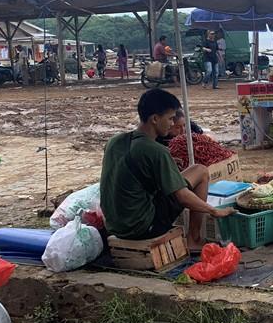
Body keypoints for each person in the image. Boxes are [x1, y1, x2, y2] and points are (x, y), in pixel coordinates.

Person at [100, 89, 235, 249]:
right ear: (155, 119)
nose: (172, 124)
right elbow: (182, 197)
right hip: (142, 228)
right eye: (170, 118)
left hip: (114, 225)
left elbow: (131, 167)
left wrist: (167, 163)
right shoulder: (156, 150)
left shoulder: (114, 141)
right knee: (201, 171)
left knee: (193, 171)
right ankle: (194, 239)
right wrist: (214, 211)